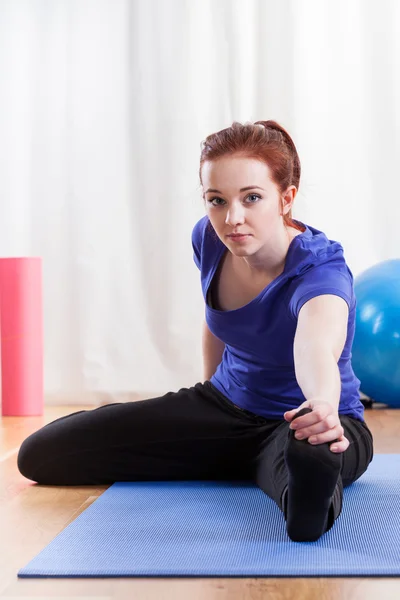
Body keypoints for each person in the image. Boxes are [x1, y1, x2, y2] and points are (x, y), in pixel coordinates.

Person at [17, 120, 374, 542]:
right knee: (41, 455)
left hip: (309, 424)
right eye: (216, 200)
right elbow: (217, 320)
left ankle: (306, 491)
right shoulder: (210, 239)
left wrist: (321, 408)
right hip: (227, 409)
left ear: (286, 198)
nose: (232, 218)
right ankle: (234, 456)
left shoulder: (321, 273)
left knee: (307, 460)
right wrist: (207, 410)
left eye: (251, 198)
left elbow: (315, 347)